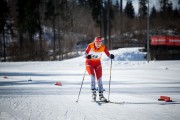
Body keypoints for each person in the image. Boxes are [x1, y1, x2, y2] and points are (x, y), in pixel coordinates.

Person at [85, 36, 114, 102]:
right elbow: (85, 53)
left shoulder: (103, 47)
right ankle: (93, 93)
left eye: (99, 43)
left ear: (101, 43)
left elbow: (108, 54)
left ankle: (101, 95)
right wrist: (87, 56)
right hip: (89, 63)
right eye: (97, 43)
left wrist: (111, 56)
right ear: (94, 42)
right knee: (92, 77)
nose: (98, 44)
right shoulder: (90, 45)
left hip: (98, 64)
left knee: (99, 78)